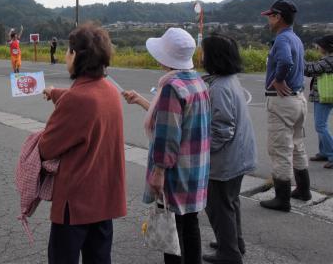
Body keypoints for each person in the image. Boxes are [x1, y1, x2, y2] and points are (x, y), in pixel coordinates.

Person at [38, 24, 126, 264]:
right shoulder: (108, 90)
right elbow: (84, 99)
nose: (66, 55)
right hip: (103, 198)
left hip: (75, 203)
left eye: (68, 50)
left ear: (75, 55)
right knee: (99, 258)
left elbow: (46, 148)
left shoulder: (78, 100)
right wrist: (55, 92)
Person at [122, 27, 210, 264]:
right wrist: (142, 100)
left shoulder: (172, 87)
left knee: (172, 233)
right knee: (190, 225)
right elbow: (175, 119)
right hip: (197, 169)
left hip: (175, 172)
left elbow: (168, 134)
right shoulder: (197, 81)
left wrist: (158, 172)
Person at [201, 34, 257, 264]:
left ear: (214, 57)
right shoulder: (228, 80)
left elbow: (223, 130)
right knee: (230, 202)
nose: (201, 56)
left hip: (226, 160)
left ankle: (229, 253)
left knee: (219, 206)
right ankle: (234, 242)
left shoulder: (220, 88)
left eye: (204, 52)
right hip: (238, 156)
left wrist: (202, 151)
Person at [259, 0, 311, 211]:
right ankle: (303, 189)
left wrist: (279, 79)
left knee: (280, 149)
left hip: (282, 101)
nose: (268, 20)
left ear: (278, 17)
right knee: (297, 145)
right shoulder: (296, 38)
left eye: (270, 16)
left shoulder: (281, 40)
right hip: (299, 99)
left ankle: (282, 199)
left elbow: (286, 62)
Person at [304, 34, 333, 170]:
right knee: (321, 124)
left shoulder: (329, 61)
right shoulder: (327, 60)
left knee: (320, 126)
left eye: (320, 45)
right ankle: (324, 152)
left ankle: (331, 154)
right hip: (324, 95)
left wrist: (298, 58)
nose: (318, 47)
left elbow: (310, 70)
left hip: (324, 96)